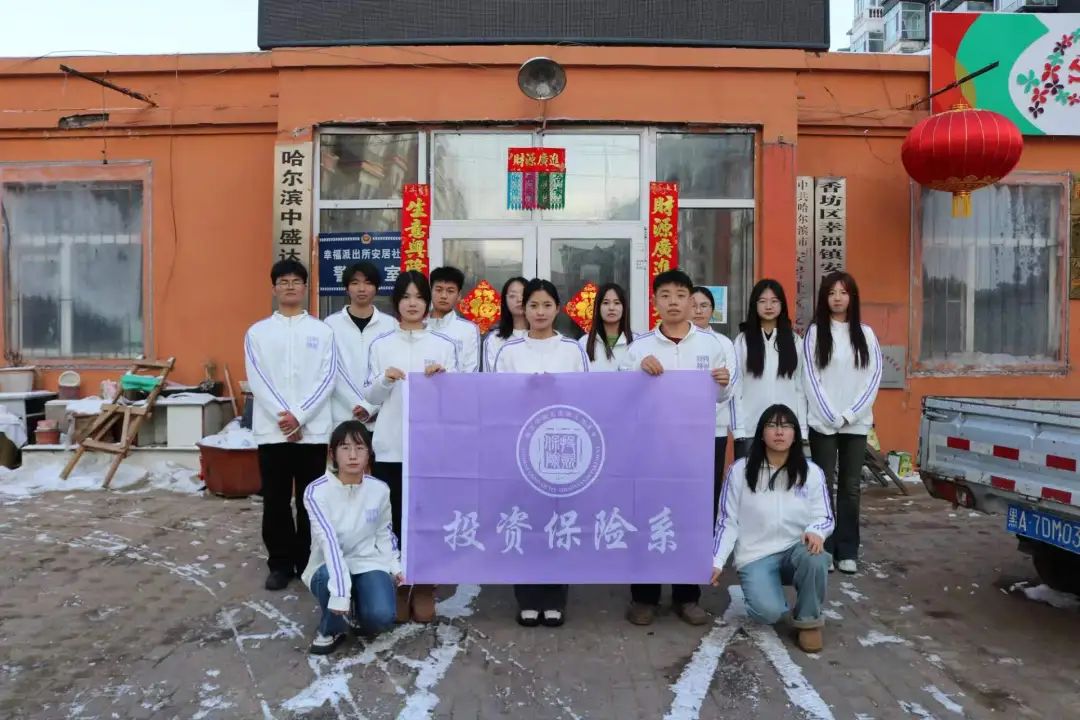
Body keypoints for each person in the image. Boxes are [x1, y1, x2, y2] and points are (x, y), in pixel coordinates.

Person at [621, 269, 739, 627]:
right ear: (654, 302)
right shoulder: (639, 348)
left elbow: (724, 397)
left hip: (696, 447)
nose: (673, 302)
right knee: (647, 516)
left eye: (680, 295)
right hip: (650, 448)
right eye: (665, 295)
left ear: (691, 301)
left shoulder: (712, 345)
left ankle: (688, 596)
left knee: (692, 518)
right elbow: (621, 395)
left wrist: (723, 383)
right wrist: (637, 372)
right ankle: (644, 597)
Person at [362, 270, 458, 622]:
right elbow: (369, 397)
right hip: (391, 447)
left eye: (419, 297)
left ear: (428, 302)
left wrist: (444, 381)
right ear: (396, 303)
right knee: (394, 520)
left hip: (432, 450)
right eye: (405, 297)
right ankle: (400, 585)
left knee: (429, 518)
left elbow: (459, 400)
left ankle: (427, 585)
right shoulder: (380, 344)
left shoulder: (444, 346)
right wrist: (385, 380)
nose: (413, 303)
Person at [493, 278, 587, 627]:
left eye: (547, 305)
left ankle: (555, 598)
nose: (540, 312)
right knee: (526, 521)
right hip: (522, 448)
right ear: (524, 309)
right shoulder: (509, 351)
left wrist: (556, 390)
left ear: (557, 308)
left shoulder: (572, 349)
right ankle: (528, 598)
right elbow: (497, 398)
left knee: (558, 522)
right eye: (533, 305)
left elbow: (587, 395)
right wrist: (527, 391)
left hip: (562, 447)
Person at [710, 404, 834, 654]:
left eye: (786, 426)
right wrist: (717, 560)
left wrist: (816, 531)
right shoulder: (740, 471)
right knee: (767, 613)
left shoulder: (811, 472)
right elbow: (727, 521)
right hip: (756, 555)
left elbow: (825, 515)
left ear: (795, 434)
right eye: (772, 425)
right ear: (761, 433)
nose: (779, 432)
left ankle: (808, 621)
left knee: (816, 558)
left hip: (795, 550)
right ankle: (767, 591)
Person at [244, 259, 336, 591]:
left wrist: (301, 416)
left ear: (306, 287)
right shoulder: (257, 332)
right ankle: (280, 564)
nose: (290, 286)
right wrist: (285, 417)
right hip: (273, 432)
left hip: (312, 432)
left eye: (296, 281)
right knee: (276, 501)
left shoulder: (322, 331)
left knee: (310, 500)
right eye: (283, 281)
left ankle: (309, 562)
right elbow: (257, 379)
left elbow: (327, 377)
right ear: (274, 288)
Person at [803, 271, 882, 575]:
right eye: (831, 293)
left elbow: (873, 378)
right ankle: (824, 547)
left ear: (852, 297)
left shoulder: (866, 334)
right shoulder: (815, 333)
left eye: (843, 292)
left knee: (850, 488)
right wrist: (830, 415)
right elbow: (810, 377)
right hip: (823, 424)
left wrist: (849, 415)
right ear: (824, 298)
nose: (837, 298)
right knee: (822, 485)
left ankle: (847, 550)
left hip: (855, 424)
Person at [301, 421, 402, 655]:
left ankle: (357, 609)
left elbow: (384, 532)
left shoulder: (380, 489)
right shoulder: (316, 491)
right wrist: (340, 594)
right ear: (332, 454)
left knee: (381, 617)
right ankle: (332, 628)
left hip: (367, 561)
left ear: (369, 453)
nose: (353, 456)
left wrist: (395, 566)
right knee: (330, 580)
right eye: (345, 448)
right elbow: (329, 542)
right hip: (328, 564)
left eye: (360, 448)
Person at [732, 279, 807, 460]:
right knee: (749, 475)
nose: (768, 306)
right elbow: (736, 387)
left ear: (782, 305)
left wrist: (802, 428)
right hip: (750, 429)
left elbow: (800, 387)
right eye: (762, 301)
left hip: (785, 429)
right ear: (754, 305)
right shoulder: (742, 341)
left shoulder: (795, 341)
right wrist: (738, 428)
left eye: (774, 301)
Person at [689, 286, 740, 522]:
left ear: (712, 310)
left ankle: (709, 535)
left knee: (711, 486)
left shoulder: (723, 343)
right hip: (680, 429)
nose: (698, 311)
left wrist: (703, 414)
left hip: (714, 428)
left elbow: (729, 385)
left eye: (704, 306)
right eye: (693, 305)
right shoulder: (678, 342)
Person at [324, 262, 395, 427]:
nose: (362, 289)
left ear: (376, 288)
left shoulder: (391, 325)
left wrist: (370, 407)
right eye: (355, 283)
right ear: (346, 288)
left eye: (368, 283)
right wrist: (357, 405)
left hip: (381, 418)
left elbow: (393, 371)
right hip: (342, 418)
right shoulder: (330, 324)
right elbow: (328, 371)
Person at [428, 265, 482, 372]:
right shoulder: (419, 324)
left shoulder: (468, 330)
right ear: (430, 292)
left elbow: (471, 371)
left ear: (459, 296)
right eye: (438, 290)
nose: (444, 296)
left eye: (450, 291)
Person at [578, 282, 634, 372]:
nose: (611, 308)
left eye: (617, 303)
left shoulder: (637, 342)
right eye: (606, 303)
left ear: (624, 308)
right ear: (598, 307)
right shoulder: (583, 343)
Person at [482, 276, 528, 371]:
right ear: (504, 301)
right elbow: (490, 376)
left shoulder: (542, 336)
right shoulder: (494, 339)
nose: (519, 299)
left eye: (524, 295)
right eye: (512, 296)